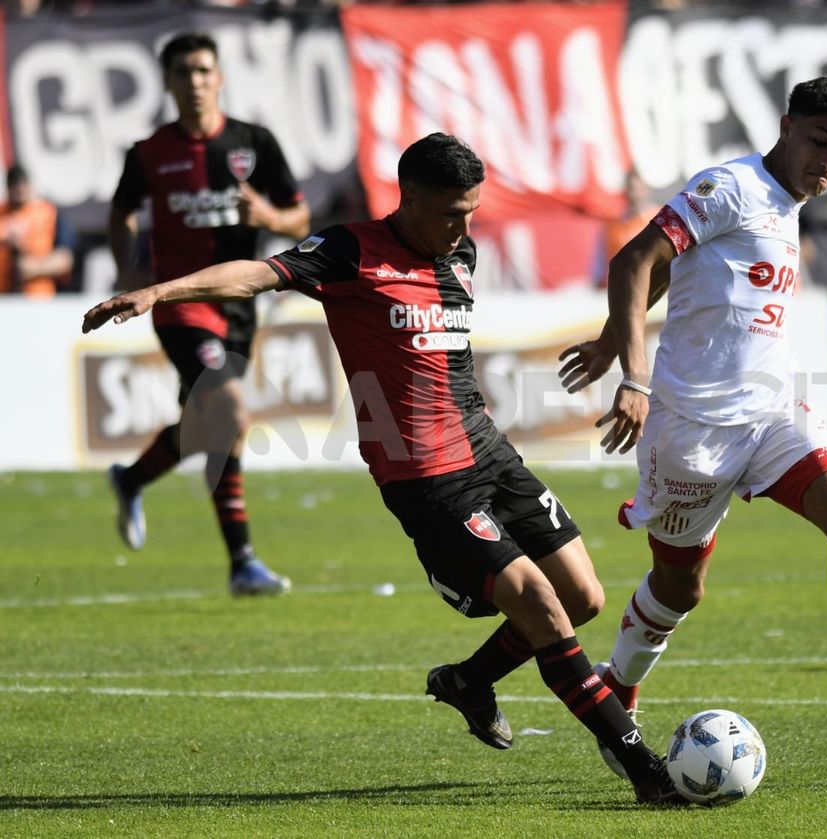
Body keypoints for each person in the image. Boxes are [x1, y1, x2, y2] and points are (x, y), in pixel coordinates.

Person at [83, 132, 686, 806]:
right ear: (411, 199)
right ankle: (649, 775)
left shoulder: (462, 250)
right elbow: (257, 272)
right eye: (452, 212)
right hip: (425, 477)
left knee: (583, 597)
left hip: (488, 449)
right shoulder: (349, 251)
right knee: (545, 609)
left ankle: (468, 681)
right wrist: (160, 291)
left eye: (473, 211)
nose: (464, 227)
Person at [558, 76, 827, 775]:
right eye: (820, 142)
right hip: (689, 427)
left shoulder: (790, 204)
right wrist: (633, 372)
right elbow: (637, 259)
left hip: (771, 410)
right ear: (786, 124)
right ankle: (618, 689)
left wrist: (617, 336)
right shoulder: (731, 187)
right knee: (679, 588)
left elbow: (700, 277)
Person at [106, 32, 311, 595]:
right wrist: (129, 273)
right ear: (168, 83)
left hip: (240, 307)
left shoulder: (254, 143)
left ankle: (132, 476)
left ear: (219, 77)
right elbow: (120, 212)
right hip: (180, 307)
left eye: (203, 71)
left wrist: (268, 211)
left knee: (207, 428)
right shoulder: (149, 153)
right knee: (229, 412)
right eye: (183, 73)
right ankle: (243, 561)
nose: (195, 82)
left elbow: (299, 219)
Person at [0, 165, 76, 297]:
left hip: (38, 300)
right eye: (14, 185)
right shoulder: (2, 213)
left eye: (22, 184)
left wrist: (34, 268)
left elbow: (65, 260)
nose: (19, 189)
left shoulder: (49, 214)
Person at [592, 171, 657, 288]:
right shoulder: (611, 225)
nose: (634, 194)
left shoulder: (659, 220)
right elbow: (599, 264)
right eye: (631, 189)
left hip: (652, 290)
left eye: (638, 189)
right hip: (617, 290)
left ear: (646, 190)